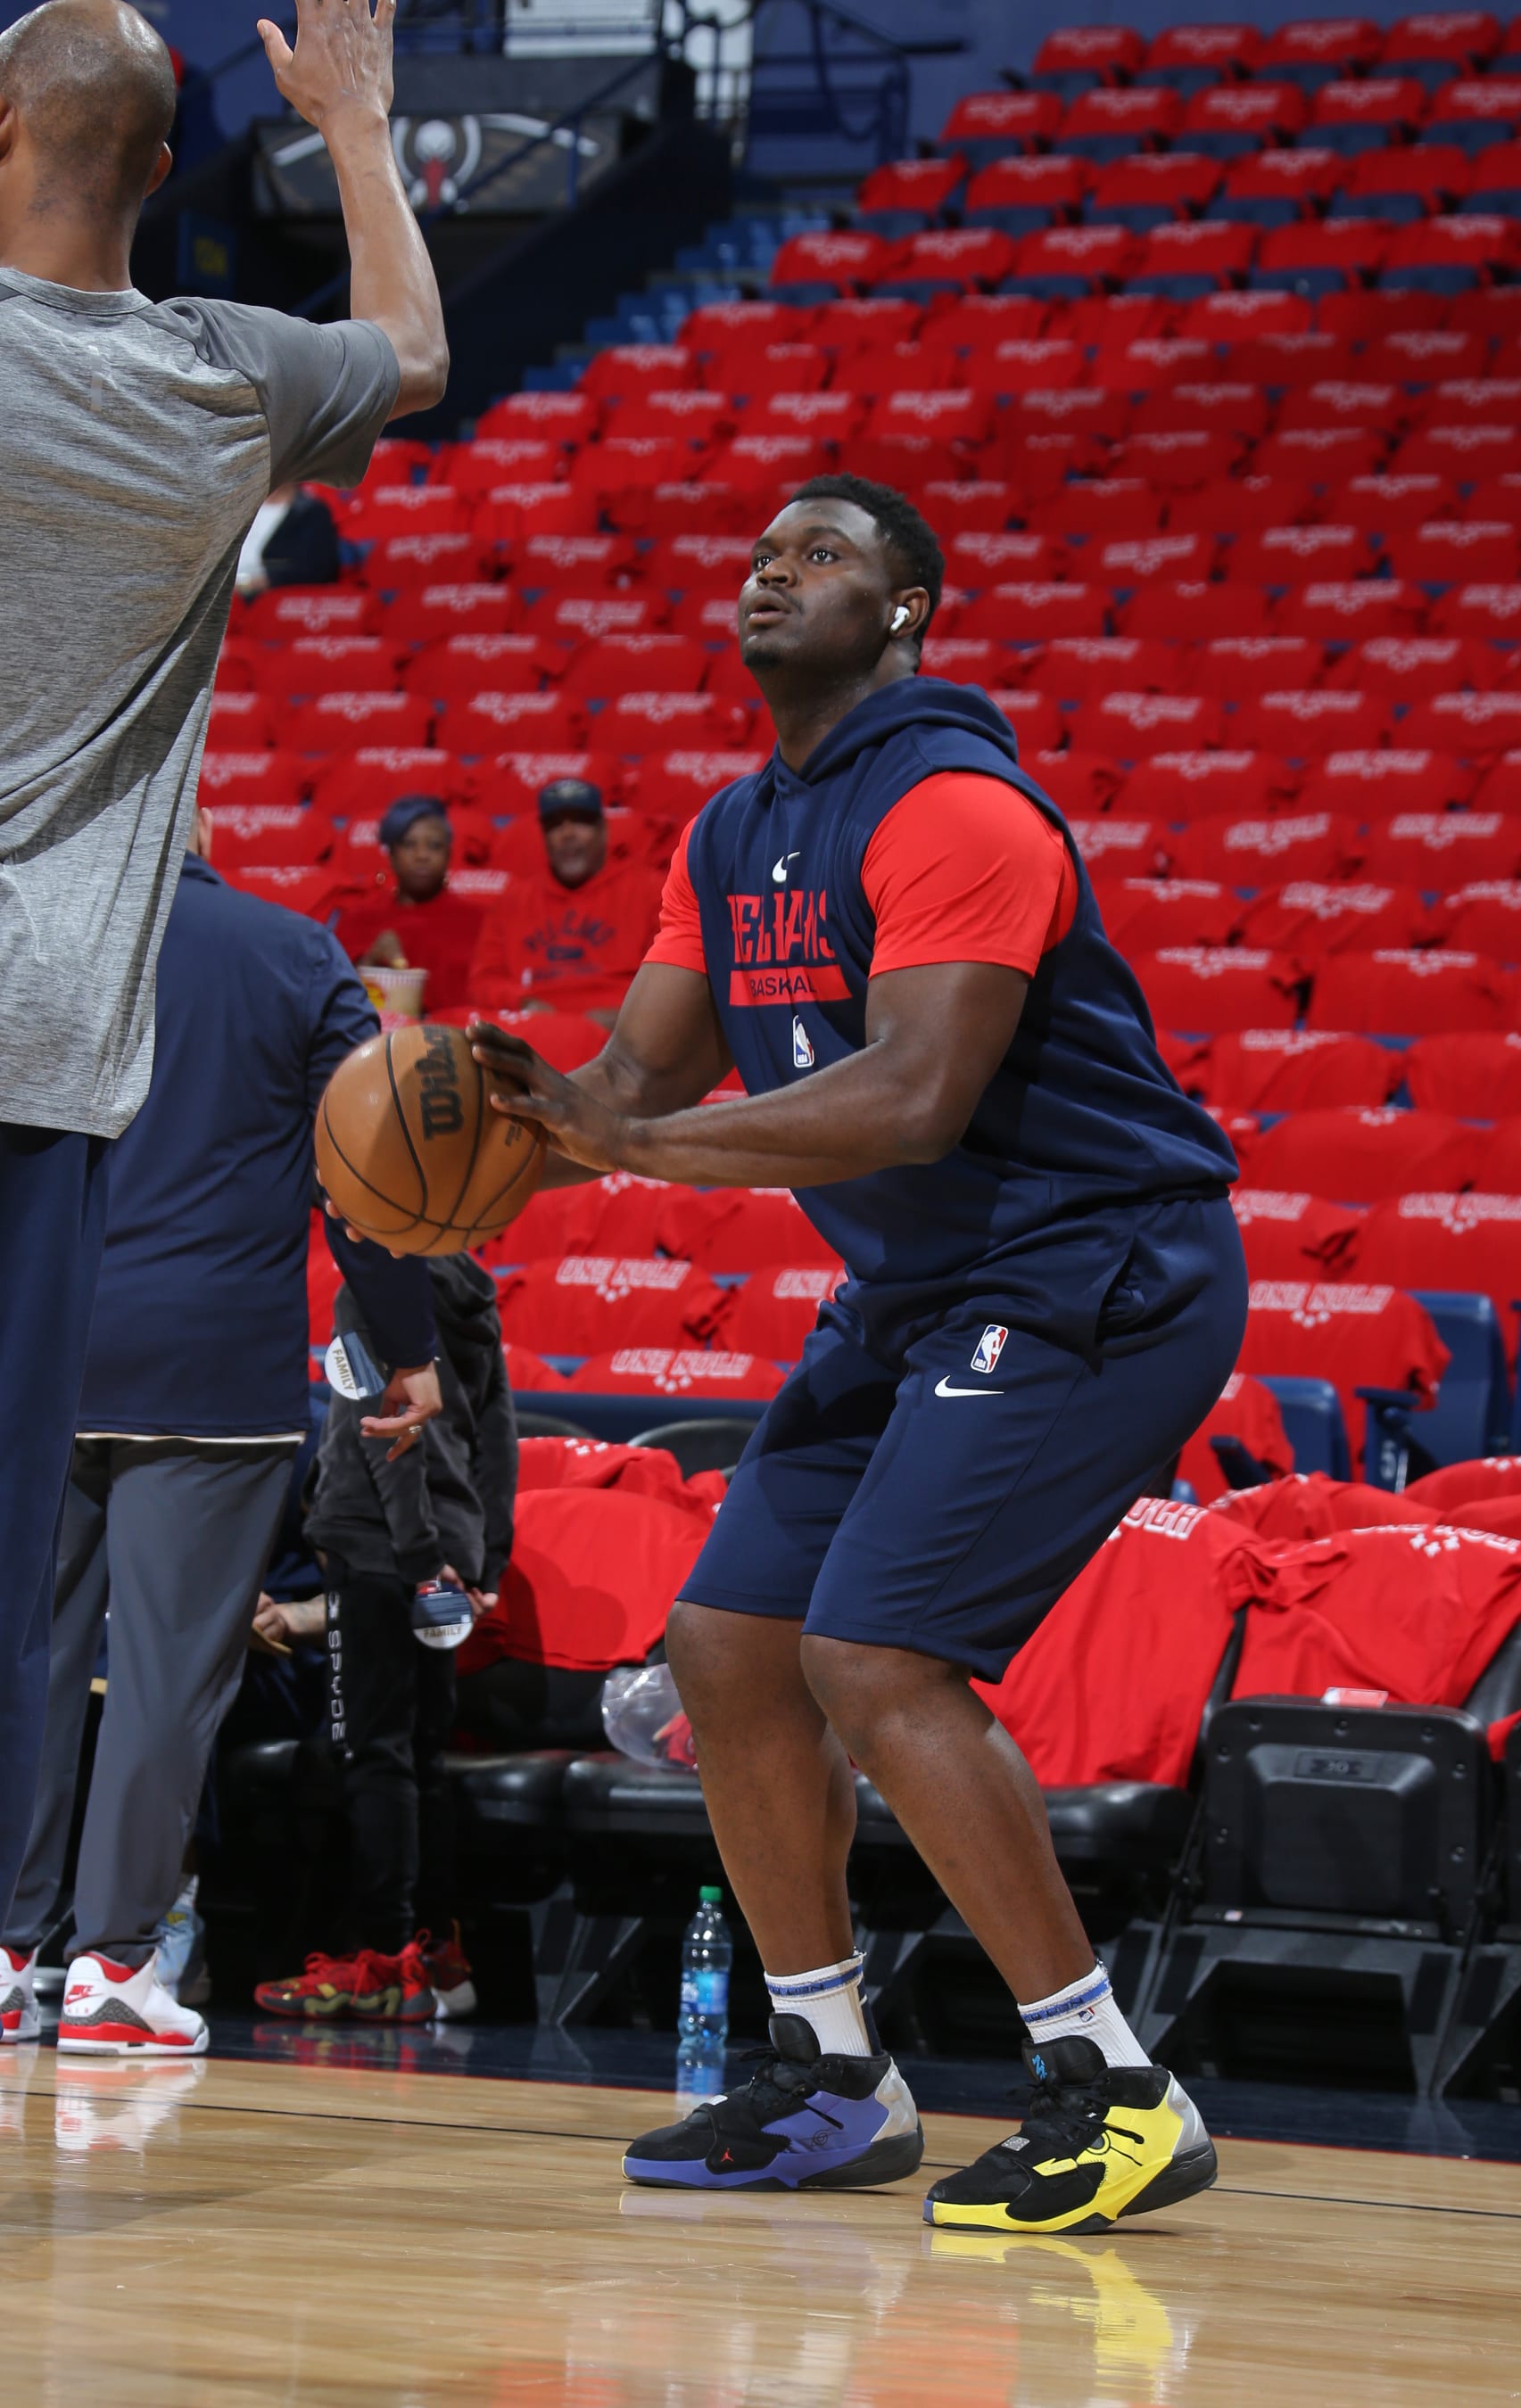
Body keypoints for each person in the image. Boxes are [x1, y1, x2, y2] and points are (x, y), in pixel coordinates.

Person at [471, 474, 1249, 2236]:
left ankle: (1117, 2091)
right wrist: (474, 1138)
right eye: (761, 552)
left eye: (823, 554)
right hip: (926, 1290)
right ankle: (834, 2072)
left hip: (1098, 1264)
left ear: (908, 609)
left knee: (876, 1652)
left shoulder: (960, 806)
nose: (774, 572)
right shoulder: (730, 832)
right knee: (731, 1643)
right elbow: (631, 1087)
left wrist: (640, 1151)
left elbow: (911, 1097)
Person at [0, 0, 447, 1935]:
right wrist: (355, 120)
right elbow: (420, 353)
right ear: (169, 174)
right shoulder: (217, 379)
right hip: (46, 1056)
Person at [0, 809, 441, 2057]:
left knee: (27, 1660)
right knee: (161, 1678)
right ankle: (115, 1968)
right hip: (209, 1374)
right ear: (194, 813)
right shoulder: (296, 956)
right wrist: (407, 1350)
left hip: (44, 1348)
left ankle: (5, 1952)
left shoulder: (37, 944)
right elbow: (375, 1176)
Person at [255, 1254, 518, 2025]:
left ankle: (382, 1957)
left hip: (383, 1550)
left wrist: (412, 1555)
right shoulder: (476, 1294)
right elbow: (499, 1433)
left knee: (373, 1752)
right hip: (449, 1554)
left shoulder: (373, 1288)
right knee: (421, 1756)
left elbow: (382, 1428)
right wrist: (484, 1557)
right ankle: (435, 1954)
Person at [467, 776, 665, 1023]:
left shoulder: (651, 890)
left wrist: (621, 1019)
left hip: (622, 1034)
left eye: (581, 822)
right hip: (534, 1029)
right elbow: (484, 980)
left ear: (604, 830)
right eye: (555, 825)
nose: (568, 833)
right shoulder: (513, 901)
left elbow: (669, 979)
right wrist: (524, 1003)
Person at [335, 793, 486, 1011]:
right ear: (392, 855)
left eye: (434, 846)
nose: (422, 855)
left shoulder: (479, 921)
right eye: (409, 845)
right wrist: (371, 960)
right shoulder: (358, 919)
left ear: (449, 854)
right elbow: (338, 998)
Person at [235, 477, 341, 595]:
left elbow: (316, 569)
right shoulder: (234, 512)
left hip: (267, 599)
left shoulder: (311, 513)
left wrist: (252, 584)